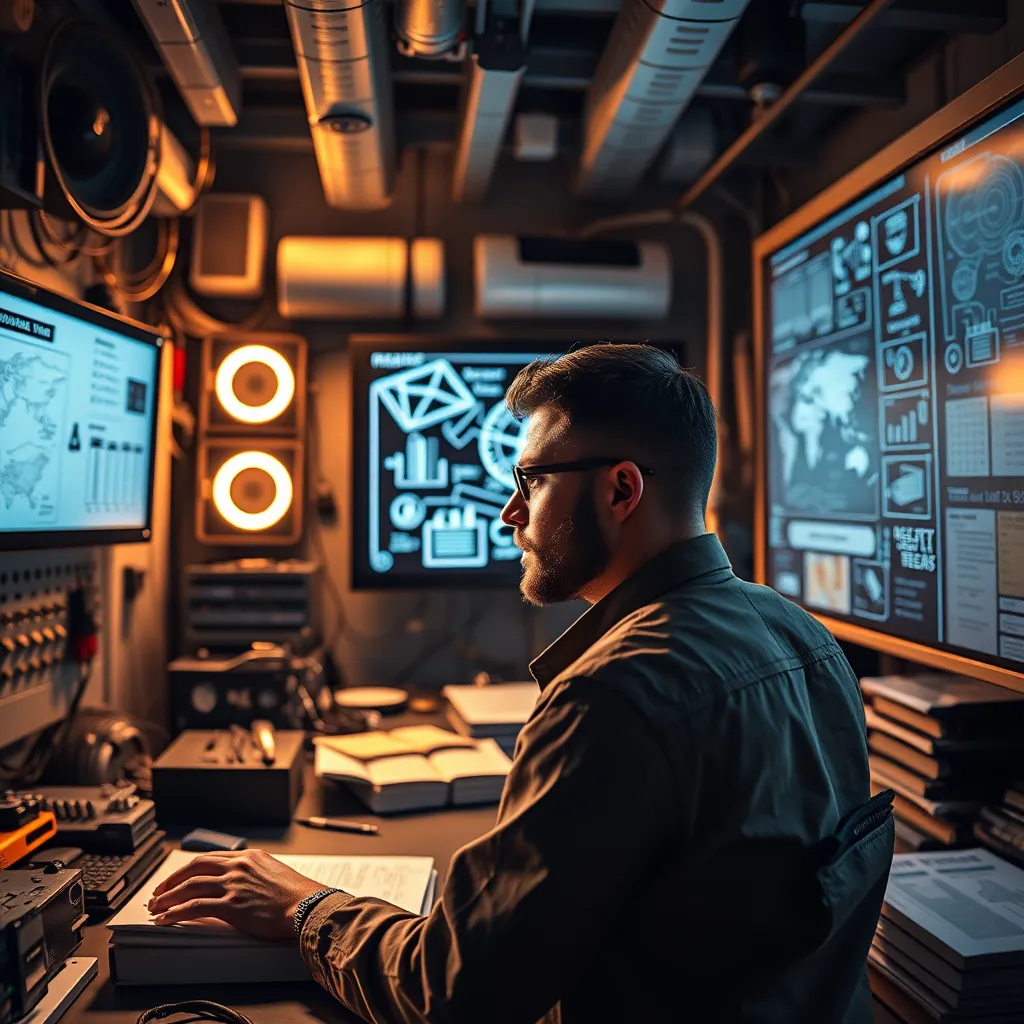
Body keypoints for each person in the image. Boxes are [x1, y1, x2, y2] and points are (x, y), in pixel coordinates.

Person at [149, 343, 893, 1023]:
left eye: (531, 481)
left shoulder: (612, 697)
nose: (510, 513)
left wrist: (303, 909)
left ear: (620, 490)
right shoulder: (808, 639)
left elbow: (455, 997)